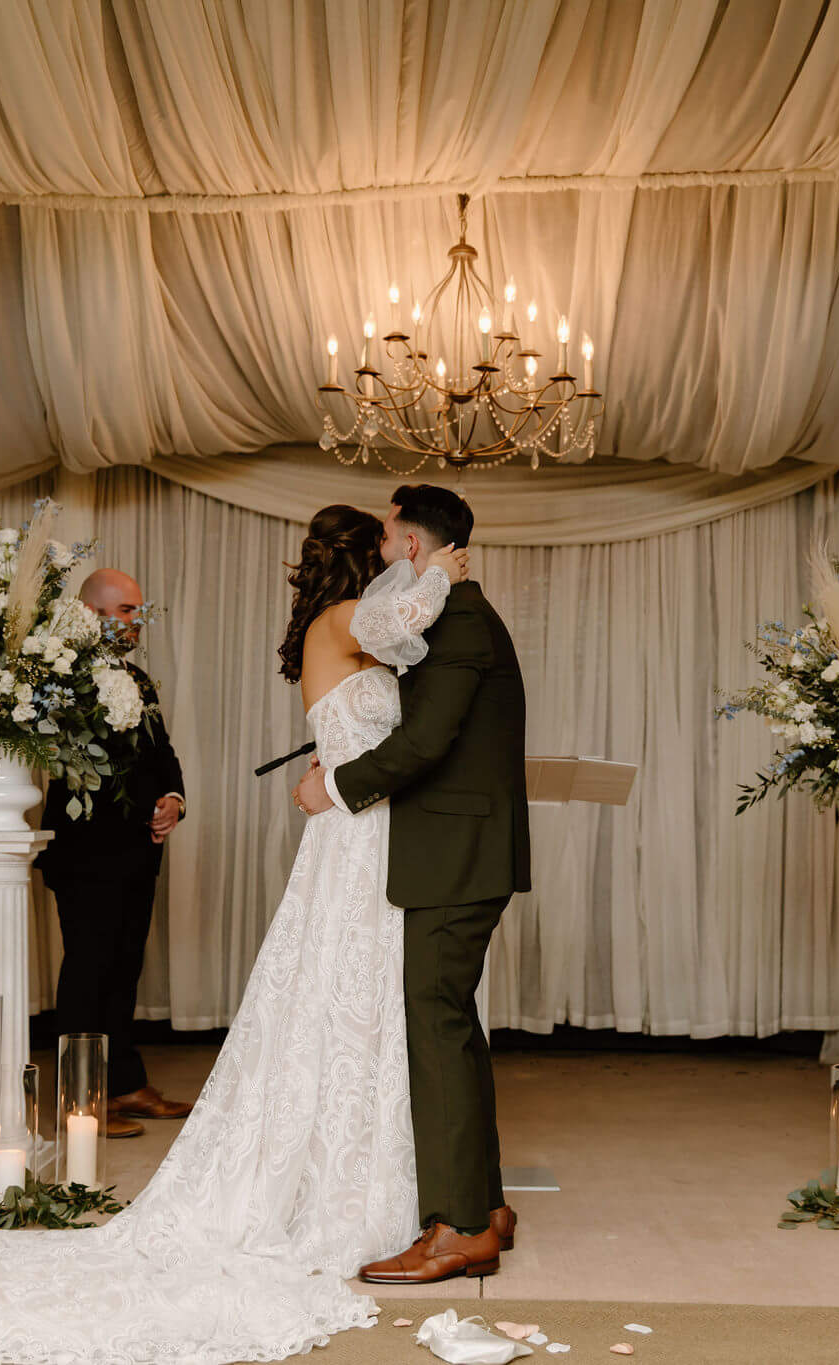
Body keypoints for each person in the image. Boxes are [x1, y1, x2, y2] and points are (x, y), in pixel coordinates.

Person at [0, 507, 476, 1365]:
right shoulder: (349, 619)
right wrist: (441, 569)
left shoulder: (349, 629)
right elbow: (413, 622)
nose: (398, 556)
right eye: (385, 546)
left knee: (351, 1002)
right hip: (353, 835)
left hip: (366, 829)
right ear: (365, 561)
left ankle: (361, 1156)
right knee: (331, 996)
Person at [293, 484, 531, 1283]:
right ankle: (485, 1203)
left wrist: (335, 785)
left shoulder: (460, 619)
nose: (381, 548)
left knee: (435, 1027)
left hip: (454, 856)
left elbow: (426, 741)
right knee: (453, 1026)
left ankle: (460, 1227)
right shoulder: (448, 614)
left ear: (411, 546)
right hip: (453, 852)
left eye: (391, 535)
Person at [36, 568, 190, 1139]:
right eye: (125, 610)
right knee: (88, 971)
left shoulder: (140, 679)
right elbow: (82, 772)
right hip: (86, 850)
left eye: (136, 611)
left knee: (125, 968)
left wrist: (172, 799)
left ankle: (124, 1083)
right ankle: (78, 1100)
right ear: (91, 613)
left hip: (137, 850)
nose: (133, 621)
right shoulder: (60, 681)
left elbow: (160, 751)